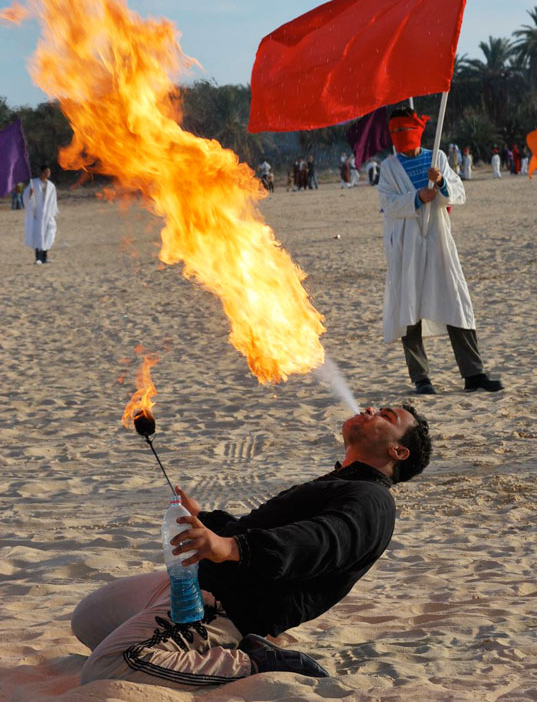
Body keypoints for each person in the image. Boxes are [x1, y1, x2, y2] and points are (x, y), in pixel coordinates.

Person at [71, 404, 431, 691]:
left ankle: (257, 662)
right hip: (197, 582)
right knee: (89, 619)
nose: (369, 409)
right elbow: (259, 531)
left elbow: (313, 543)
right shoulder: (343, 482)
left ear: (398, 451)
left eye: (386, 416)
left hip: (228, 607)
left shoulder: (372, 500)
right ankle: (210, 646)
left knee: (107, 666)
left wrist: (228, 547)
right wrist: (208, 520)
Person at [378, 107, 504, 395]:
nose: (400, 136)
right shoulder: (389, 167)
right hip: (406, 243)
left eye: (404, 129)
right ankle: (421, 378)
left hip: (438, 237)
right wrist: (417, 197)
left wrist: (442, 182)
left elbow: (458, 193)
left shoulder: (438, 158)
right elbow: (388, 203)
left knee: (456, 300)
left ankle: (473, 374)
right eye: (395, 131)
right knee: (409, 307)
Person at [23, 166, 58, 264]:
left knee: (49, 234)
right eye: (46, 172)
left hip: (48, 215)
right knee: (39, 236)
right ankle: (38, 258)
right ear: (42, 173)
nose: (48, 174)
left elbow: (53, 201)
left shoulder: (51, 186)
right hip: (37, 215)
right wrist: (30, 194)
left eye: (49, 172)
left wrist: (52, 213)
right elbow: (25, 197)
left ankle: (45, 257)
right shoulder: (33, 183)